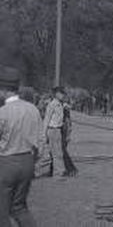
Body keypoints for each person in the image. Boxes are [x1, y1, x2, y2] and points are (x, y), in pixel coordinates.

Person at [0, 65, 42, 227]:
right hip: (28, 162)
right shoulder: (33, 109)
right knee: (19, 207)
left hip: (7, 163)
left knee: (2, 210)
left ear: (3, 89)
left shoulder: (3, 112)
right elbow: (40, 139)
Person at [42, 86, 67, 178]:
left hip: (58, 130)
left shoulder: (60, 104)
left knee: (58, 152)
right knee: (55, 152)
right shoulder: (52, 104)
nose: (63, 95)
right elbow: (47, 119)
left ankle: (59, 171)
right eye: (61, 93)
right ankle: (57, 173)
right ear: (56, 94)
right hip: (52, 129)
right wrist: (44, 133)